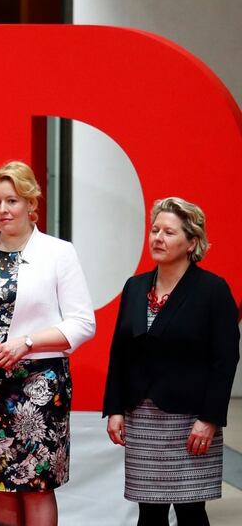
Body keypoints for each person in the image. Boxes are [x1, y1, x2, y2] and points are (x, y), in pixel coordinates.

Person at [0, 161, 95, 526]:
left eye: (11, 201)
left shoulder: (59, 252)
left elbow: (82, 323)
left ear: (31, 204)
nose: (2, 210)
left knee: (39, 484)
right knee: (3, 483)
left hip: (41, 382)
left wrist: (26, 343)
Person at [103, 197, 239, 526]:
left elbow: (225, 359)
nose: (158, 238)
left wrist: (209, 419)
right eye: (154, 230)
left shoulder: (212, 290)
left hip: (190, 422)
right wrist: (116, 409)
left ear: (192, 242)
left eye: (169, 232)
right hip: (142, 419)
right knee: (149, 512)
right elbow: (120, 352)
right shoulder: (135, 287)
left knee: (191, 511)